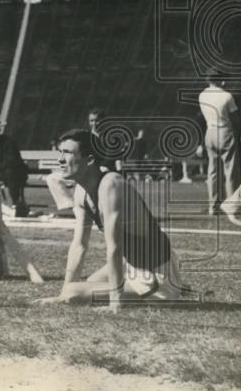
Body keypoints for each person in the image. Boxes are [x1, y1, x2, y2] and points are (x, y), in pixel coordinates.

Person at [34, 129, 192, 311]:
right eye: (60, 153)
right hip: (132, 265)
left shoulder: (111, 184)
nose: (60, 160)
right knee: (86, 283)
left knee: (75, 293)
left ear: (90, 160)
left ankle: (169, 289)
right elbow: (79, 245)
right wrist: (62, 294)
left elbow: (115, 246)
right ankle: (175, 286)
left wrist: (115, 303)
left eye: (68, 153)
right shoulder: (81, 192)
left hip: (154, 274)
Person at [46, 108, 105, 216]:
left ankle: (90, 209)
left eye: (97, 120)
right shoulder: (83, 136)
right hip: (80, 170)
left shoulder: (110, 139)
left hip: (98, 171)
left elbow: (112, 161)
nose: (94, 123)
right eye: (92, 120)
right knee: (52, 178)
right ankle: (71, 208)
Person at [197, 72, 239, 218]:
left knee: (213, 171)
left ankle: (213, 206)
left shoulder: (202, 95)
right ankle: (232, 206)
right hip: (225, 131)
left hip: (210, 132)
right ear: (221, 80)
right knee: (230, 170)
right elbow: (235, 119)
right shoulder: (227, 96)